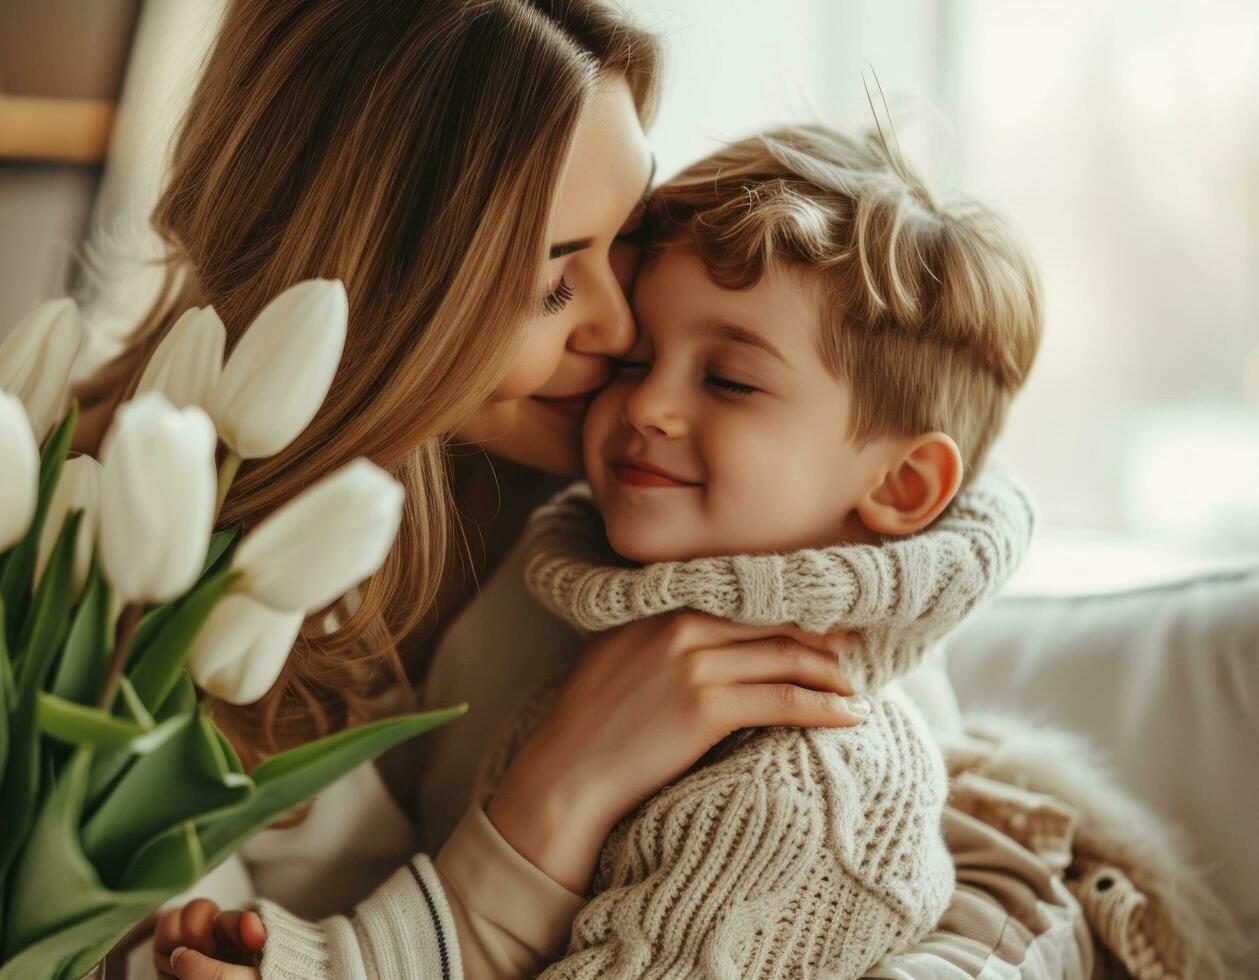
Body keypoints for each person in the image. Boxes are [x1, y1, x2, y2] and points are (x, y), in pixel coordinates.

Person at [79, 2, 867, 977]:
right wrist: (557, 795)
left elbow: (929, 842)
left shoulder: (674, 472)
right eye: (550, 285)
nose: (621, 330)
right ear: (376, 283)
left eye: (627, 235)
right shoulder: (73, 569)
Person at [466, 124, 1043, 978]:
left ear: (899, 486)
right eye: (633, 362)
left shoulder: (795, 784)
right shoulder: (554, 614)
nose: (648, 406)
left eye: (729, 380)